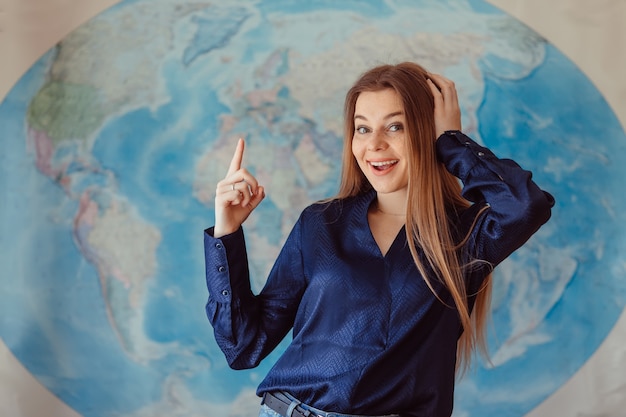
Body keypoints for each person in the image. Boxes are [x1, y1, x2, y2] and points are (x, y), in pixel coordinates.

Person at [203, 62, 554, 417]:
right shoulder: (321, 222)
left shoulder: (466, 235)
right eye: (362, 129)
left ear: (426, 130)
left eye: (396, 126)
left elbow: (526, 206)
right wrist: (226, 232)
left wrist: (451, 142)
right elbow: (244, 347)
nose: (375, 145)